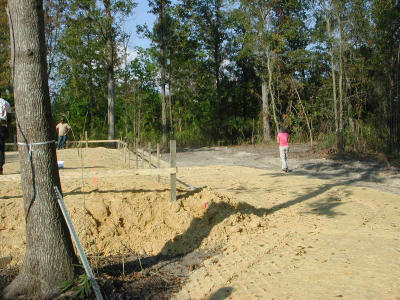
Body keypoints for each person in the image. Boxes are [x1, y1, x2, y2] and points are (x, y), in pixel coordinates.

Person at [0, 98, 11, 175]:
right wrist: (8, 127)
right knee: (1, 147)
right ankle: (0, 167)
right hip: (2, 126)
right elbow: (9, 117)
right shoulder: (5, 103)